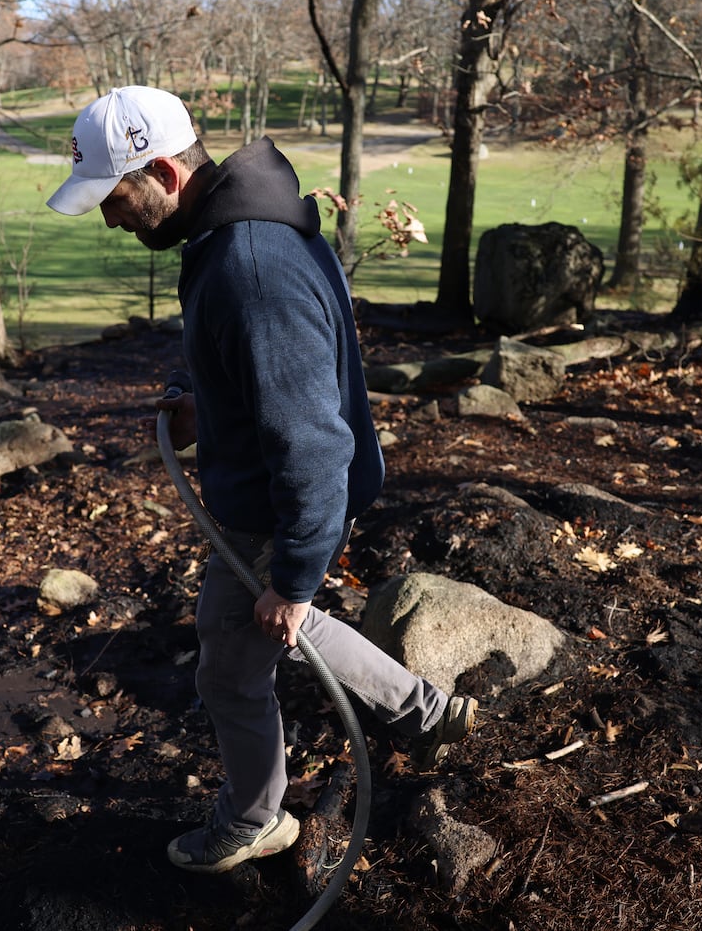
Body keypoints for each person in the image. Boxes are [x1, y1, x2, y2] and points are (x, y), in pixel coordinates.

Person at [46, 85, 477, 875]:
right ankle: (426, 713)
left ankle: (254, 818)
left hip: (283, 500)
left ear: (167, 176)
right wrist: (204, 409)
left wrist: (296, 569)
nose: (109, 219)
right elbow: (267, 379)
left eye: (113, 198)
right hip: (282, 491)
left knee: (232, 663)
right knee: (274, 623)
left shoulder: (249, 265)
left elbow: (310, 437)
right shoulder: (241, 230)